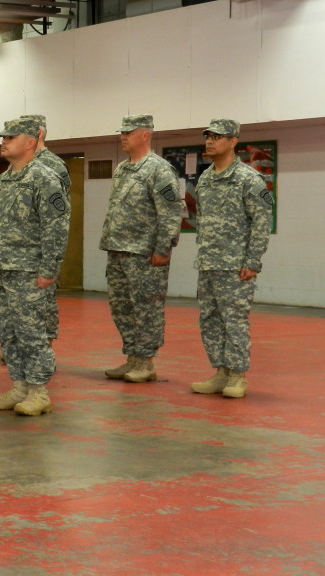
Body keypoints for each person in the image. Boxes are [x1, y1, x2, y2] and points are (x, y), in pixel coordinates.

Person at [0, 118, 70, 416]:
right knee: (7, 331)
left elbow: (56, 227)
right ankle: (19, 385)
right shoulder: (4, 179)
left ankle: (38, 391)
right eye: (3, 137)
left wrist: (49, 269)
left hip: (28, 271)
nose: (4, 141)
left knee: (32, 332)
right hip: (2, 268)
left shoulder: (44, 178)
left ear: (31, 142)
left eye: (11, 137)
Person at [190, 119, 273, 399]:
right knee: (210, 320)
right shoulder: (205, 177)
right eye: (208, 136)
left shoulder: (248, 179)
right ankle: (220, 373)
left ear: (233, 141)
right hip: (208, 263)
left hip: (235, 266)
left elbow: (261, 221)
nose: (209, 141)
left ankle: (238, 376)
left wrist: (252, 261)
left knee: (234, 320)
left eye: (217, 137)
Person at [100, 114, 183, 383]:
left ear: (144, 135)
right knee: (121, 307)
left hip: (145, 253)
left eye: (129, 132)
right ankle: (132, 358)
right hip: (118, 249)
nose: (123, 136)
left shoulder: (159, 169)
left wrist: (162, 249)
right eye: (121, 132)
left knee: (146, 308)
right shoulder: (122, 169)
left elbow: (171, 213)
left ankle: (146, 362)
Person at [21, 114, 72, 346]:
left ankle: (45, 345)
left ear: (38, 134)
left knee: (44, 300)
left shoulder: (52, 165)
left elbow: (58, 213)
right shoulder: (20, 165)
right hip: (19, 250)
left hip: (42, 248)